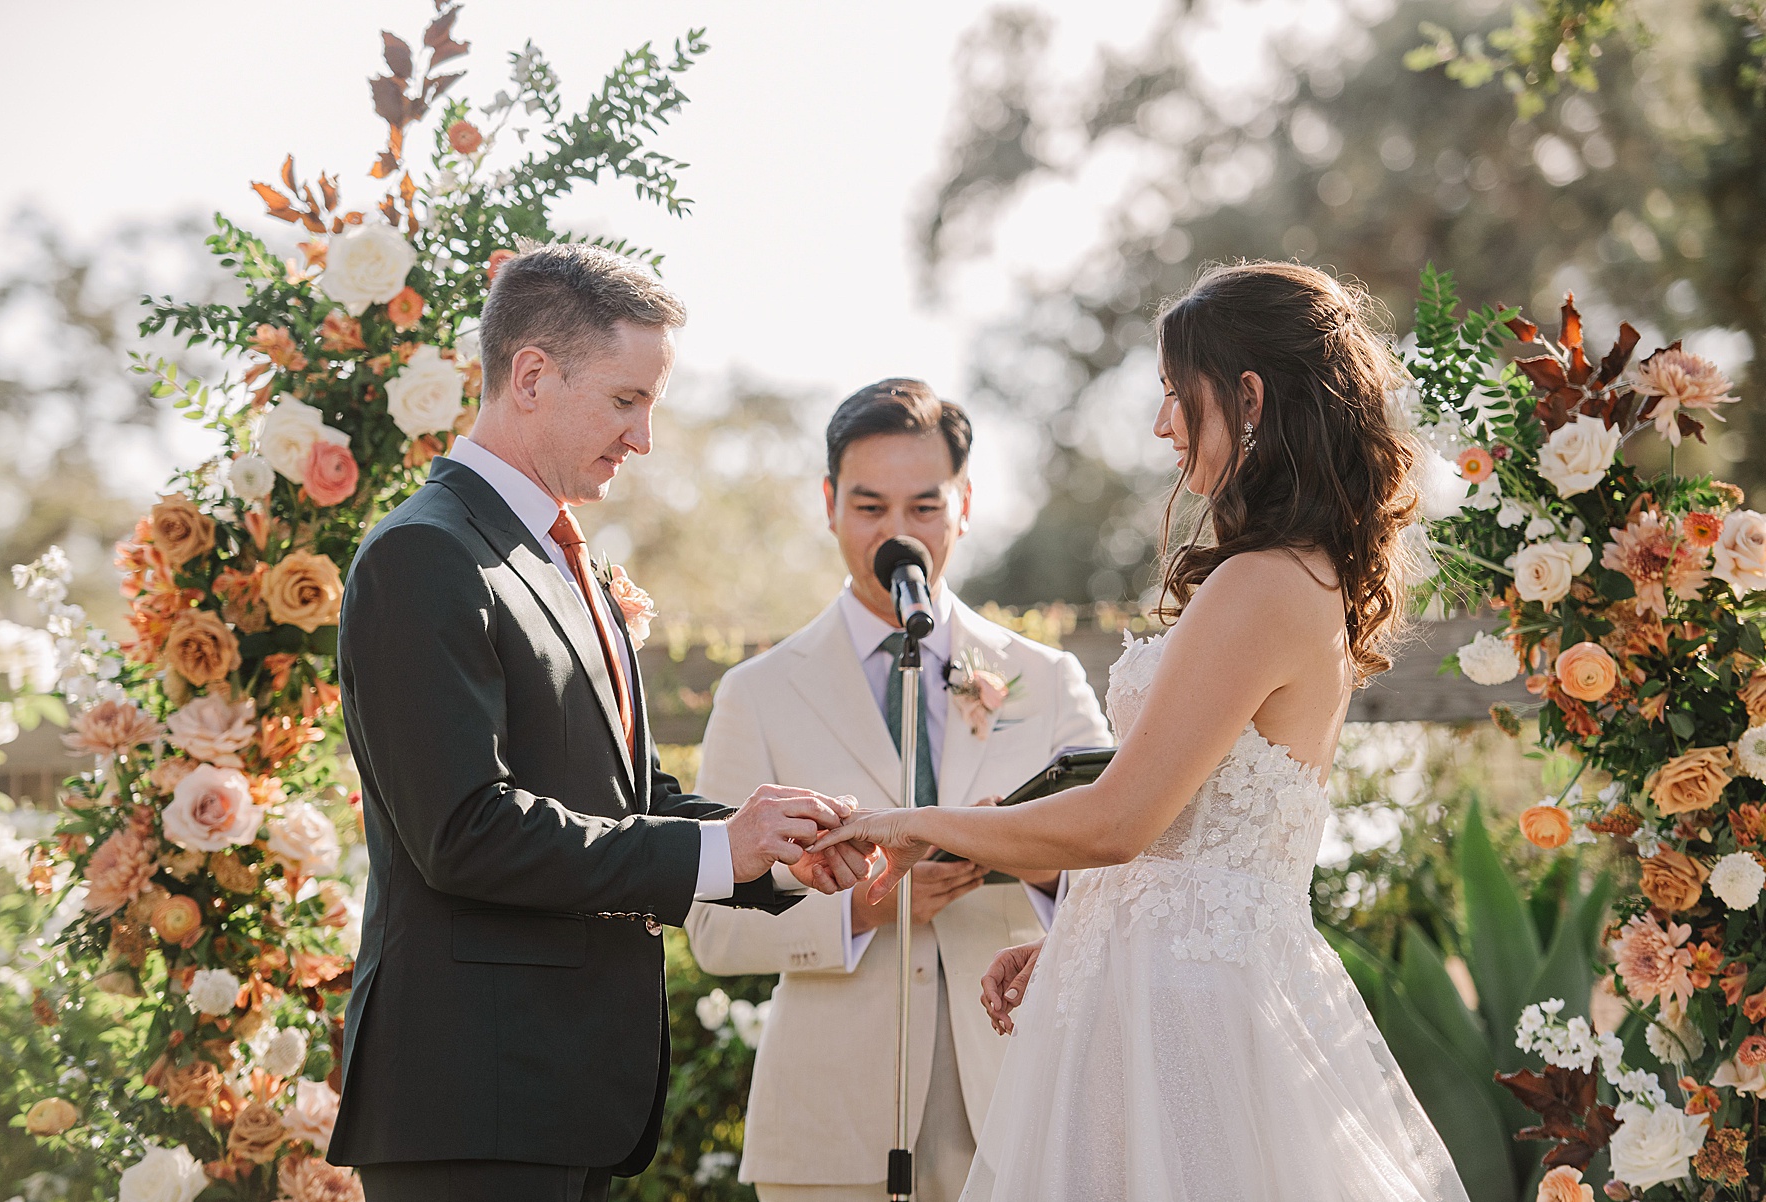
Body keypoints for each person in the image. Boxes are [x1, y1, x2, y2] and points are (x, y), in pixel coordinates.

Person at [812, 263, 1470, 1200]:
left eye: (1174, 393)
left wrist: (920, 824)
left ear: (1245, 396)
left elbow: (1119, 821)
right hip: (1173, 996)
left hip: (1191, 1030)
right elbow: (1192, 840)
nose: (1163, 423)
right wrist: (1084, 941)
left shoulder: (1261, 583)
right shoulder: (1292, 575)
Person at [329, 243, 868, 1202]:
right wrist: (715, 856)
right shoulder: (425, 556)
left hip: (563, 1095)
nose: (644, 438)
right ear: (531, 375)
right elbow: (466, 831)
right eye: (627, 401)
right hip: (472, 1098)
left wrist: (770, 848)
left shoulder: (558, 557)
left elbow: (622, 797)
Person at [685, 380, 1111, 1202]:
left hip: (1021, 1101)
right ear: (830, 504)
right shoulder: (759, 692)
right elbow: (713, 929)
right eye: (870, 506)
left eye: (923, 507)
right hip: (831, 1122)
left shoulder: (1047, 679)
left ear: (965, 503)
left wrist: (1033, 860)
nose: (896, 534)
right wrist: (868, 909)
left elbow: (1123, 870)